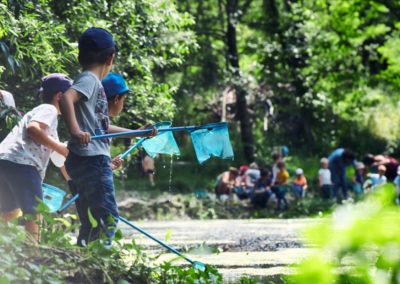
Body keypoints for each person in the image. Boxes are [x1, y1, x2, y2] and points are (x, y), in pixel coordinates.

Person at [60, 28, 155, 246]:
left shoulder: (91, 82)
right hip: (92, 159)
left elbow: (102, 127)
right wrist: (75, 131)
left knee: (91, 220)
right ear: (110, 57)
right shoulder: (90, 80)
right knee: (108, 218)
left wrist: (138, 132)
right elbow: (66, 98)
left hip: (84, 159)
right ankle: (100, 260)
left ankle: (87, 260)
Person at [0, 74, 71, 242]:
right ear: (59, 96)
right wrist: (60, 146)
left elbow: (58, 158)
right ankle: (34, 254)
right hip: (23, 163)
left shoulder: (43, 118)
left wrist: (73, 180)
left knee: (9, 211)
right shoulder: (49, 109)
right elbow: (33, 129)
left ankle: (4, 252)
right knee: (35, 212)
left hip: (5, 161)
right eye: (71, 97)